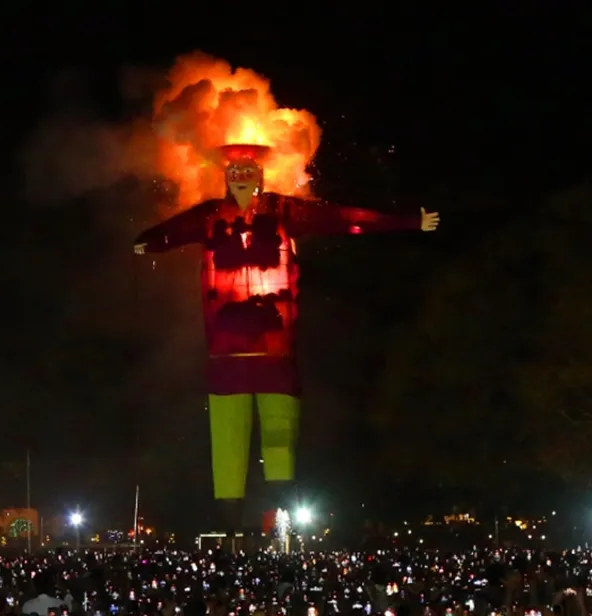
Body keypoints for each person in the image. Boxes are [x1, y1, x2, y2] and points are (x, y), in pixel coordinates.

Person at [134, 143, 440, 542]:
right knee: (227, 445)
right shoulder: (210, 215)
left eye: (249, 167)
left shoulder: (284, 211)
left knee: (280, 441)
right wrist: (151, 239)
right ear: (225, 175)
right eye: (234, 168)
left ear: (261, 174)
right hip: (225, 353)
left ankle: (283, 532)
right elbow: (169, 232)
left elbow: (343, 218)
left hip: (275, 351)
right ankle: (231, 539)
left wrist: (405, 222)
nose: (241, 174)